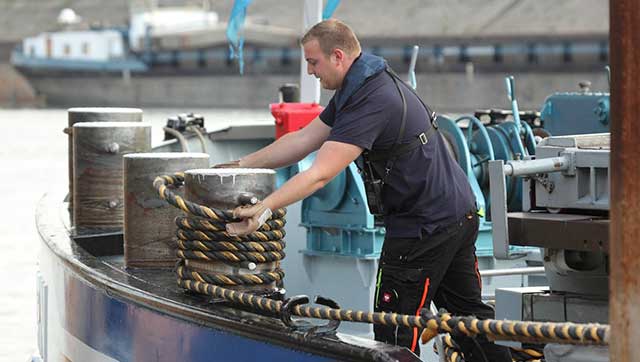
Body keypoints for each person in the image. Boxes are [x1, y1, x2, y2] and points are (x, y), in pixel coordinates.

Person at [218, 19, 512, 361]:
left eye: (313, 63)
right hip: (457, 214)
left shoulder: (369, 100)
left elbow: (320, 175)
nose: (311, 72)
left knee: (394, 331)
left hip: (422, 228)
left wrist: (265, 208)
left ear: (338, 56)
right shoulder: (360, 86)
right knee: (470, 321)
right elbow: (303, 140)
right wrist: (242, 165)